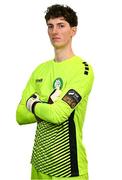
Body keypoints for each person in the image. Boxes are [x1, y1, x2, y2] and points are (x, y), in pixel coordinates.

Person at [16, 4, 94, 180]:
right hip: (38, 164)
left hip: (68, 170)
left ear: (73, 30)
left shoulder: (83, 70)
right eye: (50, 26)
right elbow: (20, 116)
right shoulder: (40, 70)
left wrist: (33, 103)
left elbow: (59, 114)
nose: (54, 31)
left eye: (61, 25)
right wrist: (47, 106)